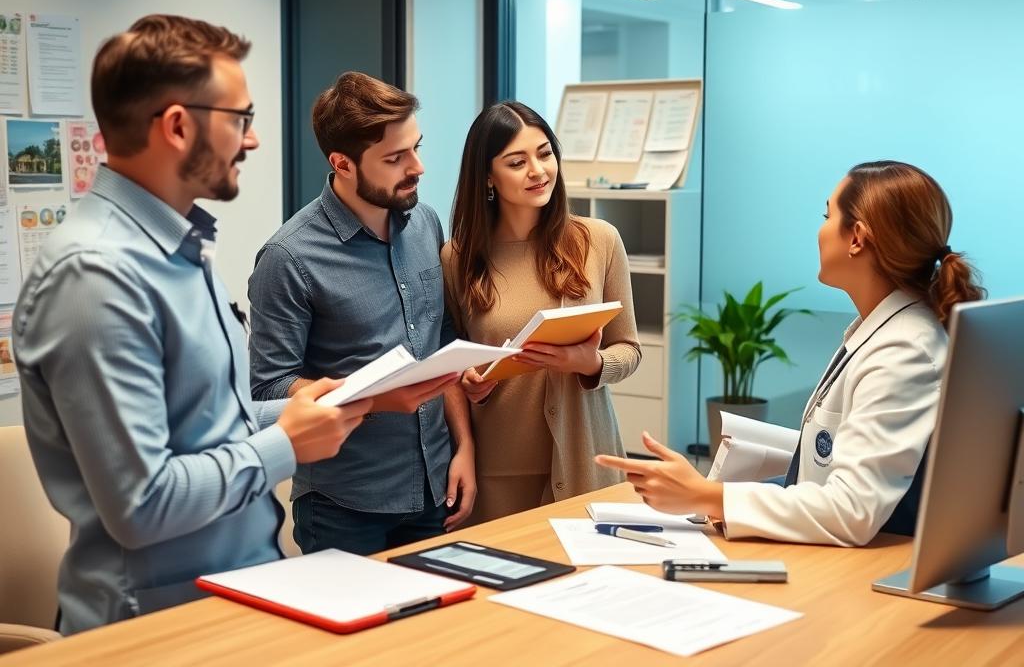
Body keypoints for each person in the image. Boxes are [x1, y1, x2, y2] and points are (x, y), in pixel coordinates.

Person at [13, 15, 371, 635]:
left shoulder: (179, 248)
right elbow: (142, 504)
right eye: (240, 119)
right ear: (178, 126)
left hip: (236, 598)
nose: (252, 140)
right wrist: (286, 445)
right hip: (154, 627)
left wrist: (302, 411)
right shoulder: (95, 275)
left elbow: (200, 420)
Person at [597, 160, 985, 546]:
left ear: (857, 238)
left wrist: (704, 495)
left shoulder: (903, 351)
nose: (820, 230)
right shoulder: (886, 330)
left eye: (827, 216)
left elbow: (853, 510)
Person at [248, 72, 474, 555]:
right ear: (342, 164)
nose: (417, 167)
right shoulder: (288, 258)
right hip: (344, 504)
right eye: (395, 158)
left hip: (435, 486)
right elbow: (269, 388)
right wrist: (372, 398)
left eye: (415, 148)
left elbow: (441, 342)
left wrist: (465, 449)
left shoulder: (425, 222)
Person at [442, 101, 641, 523]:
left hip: (586, 459)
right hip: (498, 469)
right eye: (517, 162)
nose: (538, 170)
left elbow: (629, 349)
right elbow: (451, 359)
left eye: (545, 153)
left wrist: (591, 362)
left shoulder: (599, 241)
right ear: (488, 176)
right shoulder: (457, 258)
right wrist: (469, 379)